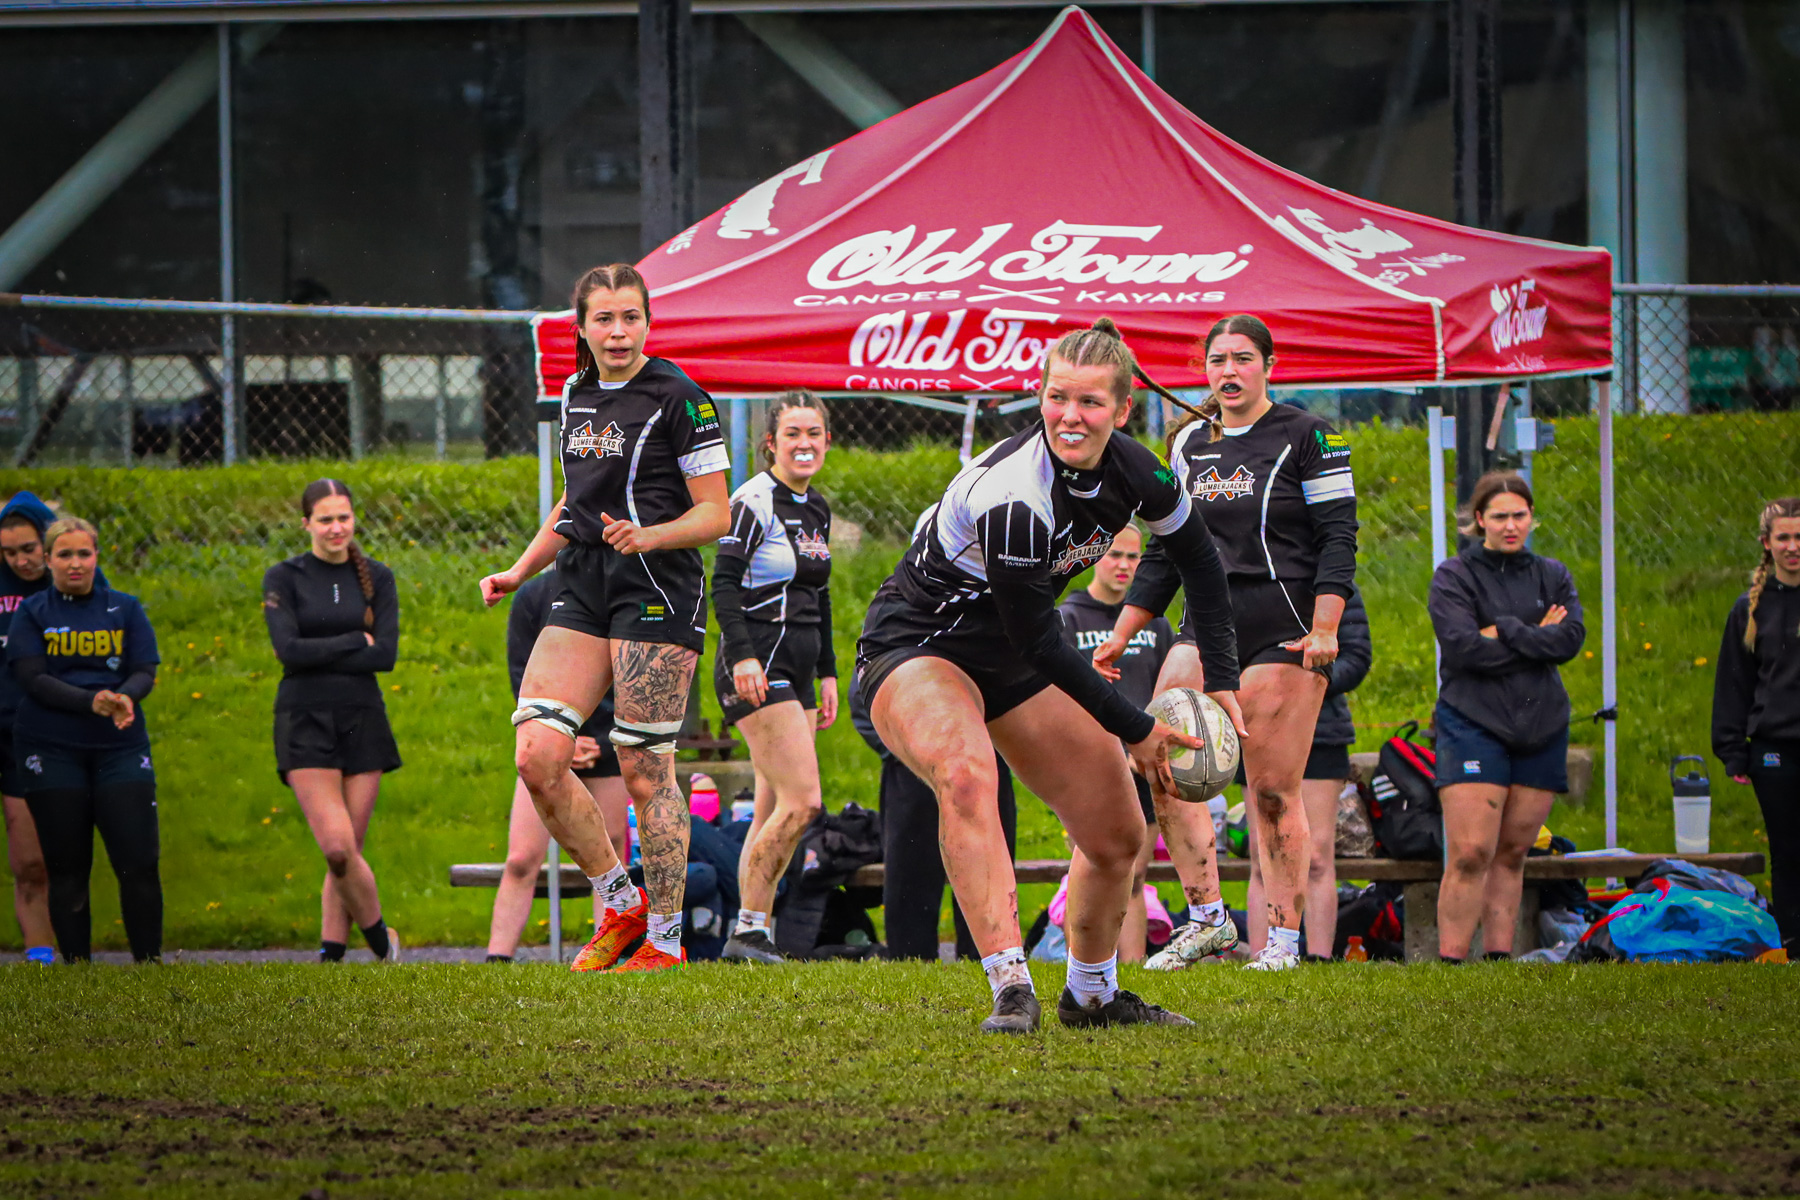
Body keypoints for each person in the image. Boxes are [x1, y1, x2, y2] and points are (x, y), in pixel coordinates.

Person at [857, 316, 1243, 1034]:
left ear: (1123, 410)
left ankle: (1092, 996)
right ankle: (1010, 986)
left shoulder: (1141, 470)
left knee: (1117, 831)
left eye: (1091, 402)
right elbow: (1041, 641)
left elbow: (1202, 562)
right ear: (1039, 397)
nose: (1071, 416)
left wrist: (1221, 677)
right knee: (968, 773)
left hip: (1010, 656)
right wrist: (1135, 727)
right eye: (1057, 397)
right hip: (919, 646)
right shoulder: (1015, 494)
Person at [480, 263, 730, 974]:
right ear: (582, 327)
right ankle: (618, 900)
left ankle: (667, 940)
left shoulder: (681, 397)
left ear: (648, 322)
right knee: (537, 754)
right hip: (583, 583)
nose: (618, 332)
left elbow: (717, 512)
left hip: (657, 584)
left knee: (646, 767)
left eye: (631, 317)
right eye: (604, 319)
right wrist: (520, 570)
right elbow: (573, 505)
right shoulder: (577, 392)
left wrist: (649, 534)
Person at [1102, 314, 1359, 972]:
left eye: (1243, 358)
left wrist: (1326, 626)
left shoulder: (1308, 435)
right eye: (1218, 359)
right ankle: (1208, 921)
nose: (1229, 371)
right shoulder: (1190, 442)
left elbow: (1338, 538)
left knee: (1272, 791)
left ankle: (1281, 942)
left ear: (1268, 365)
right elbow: (1166, 554)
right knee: (1159, 758)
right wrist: (1120, 637)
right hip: (1207, 628)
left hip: (1287, 630)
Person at [1428, 472, 1584, 962]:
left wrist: (1507, 631)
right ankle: (1451, 960)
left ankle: (1500, 959)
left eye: (1520, 514)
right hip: (1471, 723)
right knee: (1472, 850)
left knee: (1514, 851)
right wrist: (1535, 639)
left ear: (1532, 517)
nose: (1511, 525)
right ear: (1479, 520)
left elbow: (1569, 640)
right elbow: (1463, 648)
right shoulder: (1454, 575)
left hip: (1541, 725)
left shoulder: (1552, 574)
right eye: (1500, 516)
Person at [713, 391, 840, 965]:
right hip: (758, 666)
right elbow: (722, 584)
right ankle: (746, 929)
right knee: (803, 802)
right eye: (793, 434)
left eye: (814, 432)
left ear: (827, 440)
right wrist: (742, 658)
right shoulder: (752, 500)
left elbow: (820, 595)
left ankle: (753, 930)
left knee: (770, 810)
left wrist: (830, 673)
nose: (805, 443)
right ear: (771, 443)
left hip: (801, 672)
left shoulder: (816, 508)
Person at [7, 518, 162, 962]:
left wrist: (124, 698)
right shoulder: (33, 612)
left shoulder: (126, 608)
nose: (75, 564)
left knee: (139, 861)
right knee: (68, 865)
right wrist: (88, 701)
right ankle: (78, 969)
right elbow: (32, 678)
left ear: (96, 556)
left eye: (84, 554)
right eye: (64, 555)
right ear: (48, 560)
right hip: (51, 746)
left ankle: (150, 965)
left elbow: (144, 670)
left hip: (120, 746)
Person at [263, 480, 402, 964]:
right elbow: (288, 651)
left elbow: (385, 655)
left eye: (343, 517)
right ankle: (384, 943)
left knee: (350, 848)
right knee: (338, 849)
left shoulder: (377, 578)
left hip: (362, 718)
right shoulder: (284, 577)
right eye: (325, 519)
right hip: (303, 720)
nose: (336, 528)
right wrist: (351, 642)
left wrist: (323, 651)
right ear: (306, 524)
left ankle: (332, 951)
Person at [486, 566, 627, 963]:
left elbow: (627, 678)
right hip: (551, 739)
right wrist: (561, 738)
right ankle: (497, 959)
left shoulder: (618, 587)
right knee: (521, 858)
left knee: (609, 849)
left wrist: (599, 741)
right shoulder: (533, 595)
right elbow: (523, 679)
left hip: (604, 744)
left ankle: (607, 950)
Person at [1056, 524, 1174, 963]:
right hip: (1091, 765)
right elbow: (1060, 701)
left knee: (1136, 873)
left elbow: (1169, 693)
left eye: (1133, 557)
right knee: (1094, 867)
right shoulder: (1069, 618)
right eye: (1115, 556)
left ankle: (1133, 966)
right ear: (1092, 557)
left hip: (1146, 765)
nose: (1124, 565)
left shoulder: (1152, 621)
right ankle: (1084, 965)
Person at [1239, 586, 1371, 960]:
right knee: (1262, 853)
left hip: (1322, 732)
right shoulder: (1249, 582)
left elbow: (1357, 657)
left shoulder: (1336, 589)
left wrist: (1300, 683)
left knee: (1316, 855)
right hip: (1258, 728)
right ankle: (1263, 955)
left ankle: (1317, 957)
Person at [849, 672, 1018, 961]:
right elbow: (863, 693)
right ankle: (910, 960)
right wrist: (897, 749)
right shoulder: (894, 631)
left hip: (983, 761)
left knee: (988, 862)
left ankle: (991, 959)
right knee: (910, 870)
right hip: (911, 767)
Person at [1713, 497, 1800, 951]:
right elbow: (1734, 683)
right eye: (1783, 537)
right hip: (1774, 747)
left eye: (1799, 537)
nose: (1793, 546)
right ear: (1768, 544)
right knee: (1787, 850)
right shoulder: (1748, 609)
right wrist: (1731, 749)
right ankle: (1791, 943)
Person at [1, 493, 60, 964]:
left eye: (28, 548)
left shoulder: (72, 582)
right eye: (9, 552)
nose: (21, 560)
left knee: (34, 859)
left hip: (36, 733)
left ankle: (42, 960)